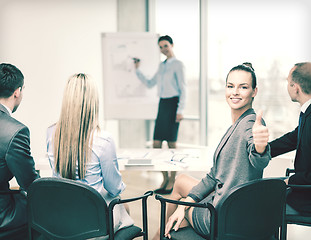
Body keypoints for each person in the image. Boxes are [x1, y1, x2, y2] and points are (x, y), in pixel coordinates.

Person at [152, 63, 271, 239]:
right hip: (228, 204)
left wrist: (260, 147)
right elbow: (214, 175)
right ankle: (161, 234)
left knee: (178, 214)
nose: (235, 92)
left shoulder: (250, 125)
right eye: (231, 86)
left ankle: (160, 236)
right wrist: (186, 203)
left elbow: (258, 159)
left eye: (243, 87)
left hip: (223, 218)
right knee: (181, 182)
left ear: (254, 91)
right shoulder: (238, 123)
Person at [46, 73, 134, 232]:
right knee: (124, 207)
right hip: (94, 222)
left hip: (62, 217)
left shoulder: (51, 133)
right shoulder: (103, 140)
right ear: (93, 102)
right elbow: (114, 188)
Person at [134, 35, 186, 194]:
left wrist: (180, 110)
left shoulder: (178, 64)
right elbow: (150, 83)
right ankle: (165, 178)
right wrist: (137, 70)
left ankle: (172, 180)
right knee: (156, 144)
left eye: (166, 46)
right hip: (162, 104)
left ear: (172, 45)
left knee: (171, 145)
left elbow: (183, 88)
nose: (163, 49)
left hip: (173, 104)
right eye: (161, 47)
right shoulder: (162, 66)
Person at [0, 63, 39, 234]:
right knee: (47, 214)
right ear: (17, 92)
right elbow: (29, 183)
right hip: (3, 215)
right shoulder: (15, 131)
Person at [269, 62, 311, 215]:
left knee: (260, 202)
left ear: (296, 87)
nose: (287, 86)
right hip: (302, 189)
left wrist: (290, 181)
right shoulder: (307, 113)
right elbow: (294, 138)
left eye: (288, 82)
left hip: (306, 198)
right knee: (264, 189)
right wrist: (265, 150)